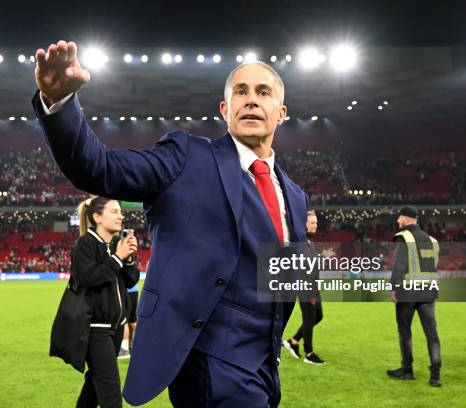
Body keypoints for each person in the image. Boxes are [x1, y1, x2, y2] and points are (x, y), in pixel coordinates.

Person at [33, 40, 309, 407]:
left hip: (264, 367)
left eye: (263, 92)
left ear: (281, 111)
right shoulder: (185, 158)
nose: (251, 99)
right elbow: (97, 167)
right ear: (225, 110)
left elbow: (285, 282)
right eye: (240, 92)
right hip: (207, 363)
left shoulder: (295, 195)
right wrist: (59, 103)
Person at [71, 196, 139, 407]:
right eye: (114, 211)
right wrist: (118, 258)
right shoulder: (86, 243)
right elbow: (89, 278)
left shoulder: (114, 244)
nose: (121, 216)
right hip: (95, 329)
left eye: (121, 211)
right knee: (111, 398)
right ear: (97, 217)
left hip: (116, 328)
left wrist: (128, 259)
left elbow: (131, 281)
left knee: (93, 388)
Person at [387, 205, 442, 387]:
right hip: (428, 291)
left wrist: (393, 288)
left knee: (405, 332)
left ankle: (407, 370)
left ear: (405, 218)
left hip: (408, 292)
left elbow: (400, 265)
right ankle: (435, 375)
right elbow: (433, 268)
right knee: (432, 334)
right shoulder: (432, 241)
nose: (397, 221)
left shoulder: (404, 237)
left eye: (399, 218)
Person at [282, 209, 325, 365]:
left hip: (312, 286)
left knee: (318, 316)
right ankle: (309, 353)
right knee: (309, 318)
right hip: (305, 287)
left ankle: (293, 341)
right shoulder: (300, 242)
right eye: (313, 223)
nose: (316, 225)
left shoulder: (308, 241)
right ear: (304, 224)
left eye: (316, 223)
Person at [118, 281, 140, 360]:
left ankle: (124, 350)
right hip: (134, 289)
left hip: (125, 290)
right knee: (132, 321)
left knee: (124, 321)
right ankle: (147, 342)